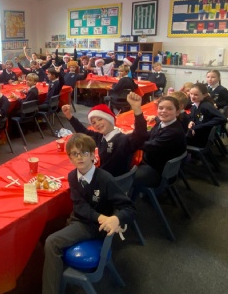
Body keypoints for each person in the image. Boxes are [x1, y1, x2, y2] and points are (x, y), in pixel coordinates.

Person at [42, 133, 136, 294]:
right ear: (70, 159)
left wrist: (116, 218)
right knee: (45, 229)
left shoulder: (104, 179)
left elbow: (129, 208)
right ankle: (55, 268)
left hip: (91, 226)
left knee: (52, 242)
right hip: (80, 218)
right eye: (75, 154)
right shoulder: (72, 176)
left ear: (93, 155)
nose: (80, 157)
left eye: (84, 153)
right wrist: (100, 216)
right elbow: (79, 206)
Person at [62, 92, 147, 177]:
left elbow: (140, 135)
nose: (97, 124)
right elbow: (84, 132)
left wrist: (137, 109)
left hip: (112, 181)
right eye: (94, 123)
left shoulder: (123, 140)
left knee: (74, 176)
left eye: (100, 119)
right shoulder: (101, 137)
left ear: (109, 119)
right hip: (104, 176)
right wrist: (69, 116)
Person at [133, 96, 187, 188]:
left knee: (122, 173)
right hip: (155, 163)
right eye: (161, 108)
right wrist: (132, 136)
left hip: (156, 170)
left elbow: (149, 146)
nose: (164, 111)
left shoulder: (173, 132)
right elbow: (149, 135)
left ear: (177, 112)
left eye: (169, 109)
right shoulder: (162, 123)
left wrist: (129, 140)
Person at [187, 83, 226, 148]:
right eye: (191, 94)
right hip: (198, 134)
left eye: (196, 95)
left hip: (201, 138)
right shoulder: (195, 105)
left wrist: (198, 126)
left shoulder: (205, 106)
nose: (192, 97)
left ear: (204, 95)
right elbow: (196, 117)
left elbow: (222, 118)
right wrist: (191, 121)